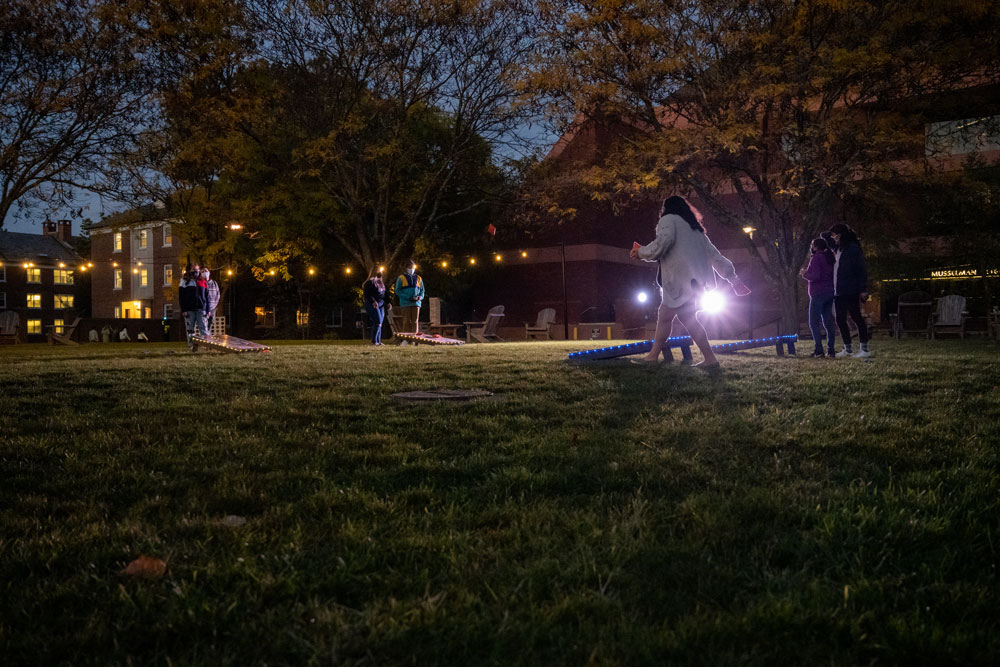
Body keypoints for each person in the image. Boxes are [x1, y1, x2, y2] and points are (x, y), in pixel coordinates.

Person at [629, 195, 747, 369]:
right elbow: (716, 256)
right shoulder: (696, 230)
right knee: (688, 319)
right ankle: (710, 359)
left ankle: (652, 357)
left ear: (666, 209)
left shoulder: (668, 220)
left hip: (679, 281)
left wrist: (641, 252)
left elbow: (662, 243)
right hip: (696, 283)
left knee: (665, 317)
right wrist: (733, 279)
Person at [828, 223, 871, 358]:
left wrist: (863, 289)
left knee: (856, 317)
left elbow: (860, 269)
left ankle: (864, 349)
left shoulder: (852, 249)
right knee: (840, 319)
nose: (833, 237)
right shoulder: (839, 249)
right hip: (839, 291)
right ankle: (848, 349)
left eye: (835, 235)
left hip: (850, 289)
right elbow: (825, 237)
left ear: (840, 235)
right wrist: (832, 235)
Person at [800, 237, 838, 357]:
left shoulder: (816, 258)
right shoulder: (829, 258)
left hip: (818, 293)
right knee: (828, 322)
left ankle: (819, 350)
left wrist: (804, 273)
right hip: (829, 292)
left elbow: (815, 276)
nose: (811, 247)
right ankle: (831, 350)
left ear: (815, 246)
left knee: (813, 322)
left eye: (812, 245)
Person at [179, 265, 208, 351]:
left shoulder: (202, 281)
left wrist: (207, 309)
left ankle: (207, 345)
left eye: (197, 270)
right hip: (189, 309)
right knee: (190, 329)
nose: (196, 272)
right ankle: (192, 345)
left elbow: (206, 297)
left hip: (200, 308)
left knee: (203, 328)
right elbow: (181, 297)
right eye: (193, 270)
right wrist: (184, 309)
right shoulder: (184, 281)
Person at [394, 260, 425, 334]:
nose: (412, 269)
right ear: (406, 268)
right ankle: (406, 339)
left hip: (416, 303)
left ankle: (414, 339)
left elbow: (422, 291)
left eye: (413, 267)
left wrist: (420, 297)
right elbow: (397, 291)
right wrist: (408, 297)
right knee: (406, 321)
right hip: (406, 303)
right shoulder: (401, 278)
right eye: (410, 267)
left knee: (415, 321)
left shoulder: (419, 278)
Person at [362, 270, 387, 345]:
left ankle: (378, 341)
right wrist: (373, 301)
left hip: (381, 304)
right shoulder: (369, 283)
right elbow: (367, 294)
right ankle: (374, 341)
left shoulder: (381, 283)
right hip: (372, 304)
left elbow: (384, 295)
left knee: (380, 323)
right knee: (378, 322)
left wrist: (388, 302)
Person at [202, 269, 221, 334]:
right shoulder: (201, 283)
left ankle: (208, 335)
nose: (205, 273)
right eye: (203, 271)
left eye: (206, 271)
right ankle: (205, 336)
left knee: (211, 322)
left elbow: (218, 294)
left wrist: (214, 305)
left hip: (213, 307)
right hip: (204, 308)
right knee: (204, 323)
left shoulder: (214, 283)